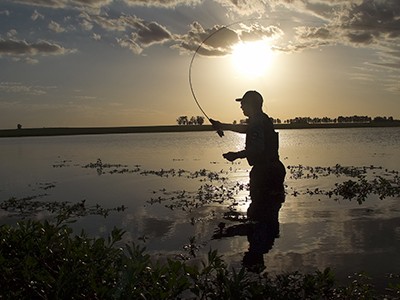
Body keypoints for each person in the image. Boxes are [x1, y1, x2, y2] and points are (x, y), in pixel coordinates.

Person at [211, 90, 286, 222]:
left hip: (265, 172)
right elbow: (245, 129)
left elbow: (257, 149)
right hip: (274, 169)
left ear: (252, 105)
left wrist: (236, 155)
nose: (241, 107)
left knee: (259, 214)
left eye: (243, 103)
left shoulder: (257, 122)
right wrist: (221, 125)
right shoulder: (262, 119)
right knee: (269, 214)